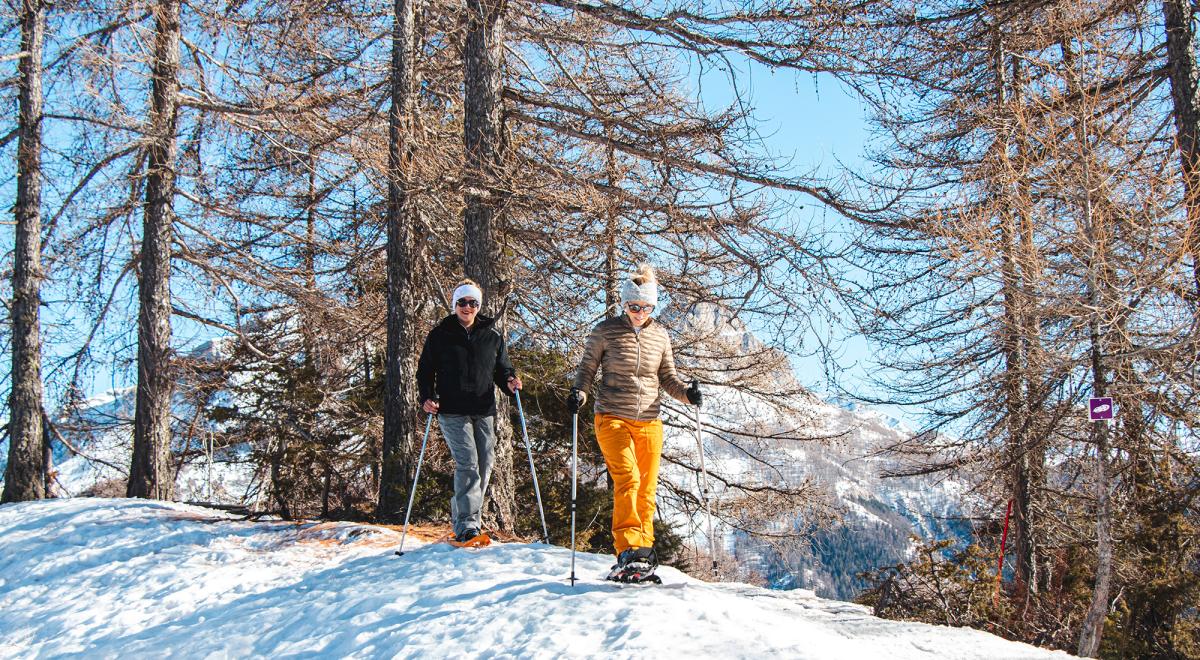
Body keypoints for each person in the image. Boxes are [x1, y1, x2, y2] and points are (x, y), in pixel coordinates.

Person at [569, 264, 702, 581]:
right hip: (612, 416)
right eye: (633, 306)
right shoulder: (606, 331)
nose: (639, 312)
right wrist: (579, 394)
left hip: (649, 422)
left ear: (653, 306)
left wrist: (687, 394)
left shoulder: (660, 336)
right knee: (627, 478)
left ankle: (642, 550)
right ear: (623, 304)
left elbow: (668, 378)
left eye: (645, 307)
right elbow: (587, 369)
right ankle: (627, 546)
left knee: (647, 489)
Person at [417, 278, 522, 543]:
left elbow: (502, 370)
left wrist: (510, 382)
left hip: (483, 409)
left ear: (479, 305)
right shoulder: (440, 335)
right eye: (462, 302)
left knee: (485, 465)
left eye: (473, 302)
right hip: (451, 410)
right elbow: (425, 371)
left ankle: (468, 519)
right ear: (455, 305)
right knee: (468, 463)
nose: (467, 307)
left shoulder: (492, 336)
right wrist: (427, 397)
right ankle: (466, 524)